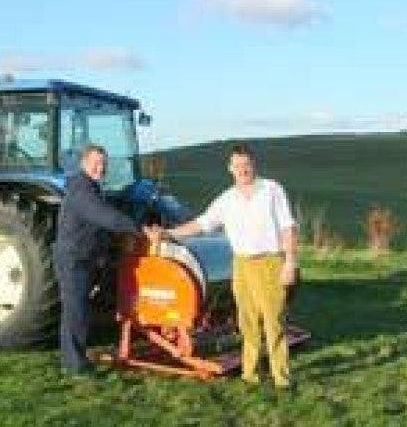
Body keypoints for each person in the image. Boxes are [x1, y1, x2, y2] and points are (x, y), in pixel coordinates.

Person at [149, 143, 298, 389]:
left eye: (246, 164)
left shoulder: (272, 190)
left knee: (273, 321)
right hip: (241, 264)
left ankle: (281, 378)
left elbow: (288, 227)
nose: (242, 169)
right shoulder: (227, 199)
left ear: (253, 164)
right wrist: (167, 234)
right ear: (230, 168)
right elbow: (202, 223)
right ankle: (250, 376)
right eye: (237, 165)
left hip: (270, 262)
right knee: (246, 322)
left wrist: (290, 262)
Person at [54, 143, 146, 375]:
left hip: (86, 257)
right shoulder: (82, 190)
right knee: (75, 310)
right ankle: (75, 365)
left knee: (80, 308)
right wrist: (137, 229)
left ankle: (77, 357)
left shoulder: (92, 188)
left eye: (103, 164)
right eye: (96, 163)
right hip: (74, 258)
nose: (100, 168)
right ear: (84, 163)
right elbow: (107, 218)